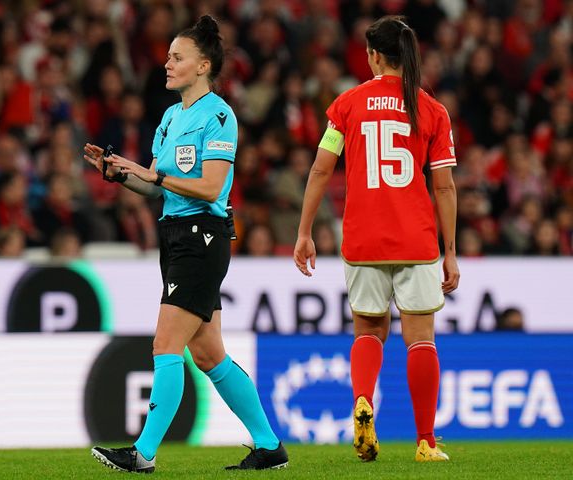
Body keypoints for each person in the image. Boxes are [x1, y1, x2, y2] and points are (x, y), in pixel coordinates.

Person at [84, 16, 288, 474]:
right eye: (169, 55)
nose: (167, 63)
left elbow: (212, 187)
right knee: (208, 352)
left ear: (203, 65)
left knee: (165, 344)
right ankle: (269, 445)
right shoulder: (171, 116)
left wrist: (151, 172)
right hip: (175, 235)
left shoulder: (219, 116)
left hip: (202, 236)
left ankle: (144, 453)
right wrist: (122, 174)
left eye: (177, 57)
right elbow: (158, 188)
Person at [293, 16, 460, 463]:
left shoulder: (346, 105)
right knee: (420, 338)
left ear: (372, 56)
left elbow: (320, 170)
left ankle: (363, 400)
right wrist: (451, 252)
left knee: (368, 329)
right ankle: (425, 441)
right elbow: (443, 186)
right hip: (416, 239)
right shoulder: (431, 110)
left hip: (363, 238)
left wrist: (305, 231)